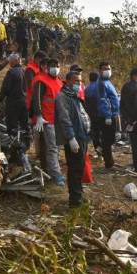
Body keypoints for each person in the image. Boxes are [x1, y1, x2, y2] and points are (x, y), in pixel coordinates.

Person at [55, 70, 91, 208]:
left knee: (80, 167)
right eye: (76, 81)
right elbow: (65, 120)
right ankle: (75, 201)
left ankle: (78, 195)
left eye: (80, 81)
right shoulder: (62, 97)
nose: (79, 84)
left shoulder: (74, 95)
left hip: (82, 136)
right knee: (75, 169)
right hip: (74, 138)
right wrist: (71, 138)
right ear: (68, 81)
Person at [29, 58, 65, 186]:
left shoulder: (59, 81)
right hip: (47, 120)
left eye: (57, 65)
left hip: (59, 120)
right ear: (47, 67)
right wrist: (38, 115)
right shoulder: (41, 81)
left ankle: (52, 170)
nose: (55, 68)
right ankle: (56, 174)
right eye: (53, 66)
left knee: (55, 147)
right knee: (52, 148)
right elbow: (36, 99)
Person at [0, 53, 31, 172]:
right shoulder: (26, 71)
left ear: (14, 61)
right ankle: (25, 148)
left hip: (13, 103)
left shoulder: (11, 73)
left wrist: (0, 98)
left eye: (10, 61)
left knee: (12, 127)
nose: (9, 63)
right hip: (24, 102)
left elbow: (5, 88)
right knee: (25, 126)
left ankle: (15, 153)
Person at [86, 62, 119, 169]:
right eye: (105, 69)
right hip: (106, 116)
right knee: (107, 140)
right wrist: (108, 115)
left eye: (109, 68)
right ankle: (109, 163)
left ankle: (105, 155)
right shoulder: (101, 83)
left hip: (111, 114)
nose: (107, 70)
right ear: (100, 70)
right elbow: (102, 100)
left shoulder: (108, 82)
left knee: (109, 140)